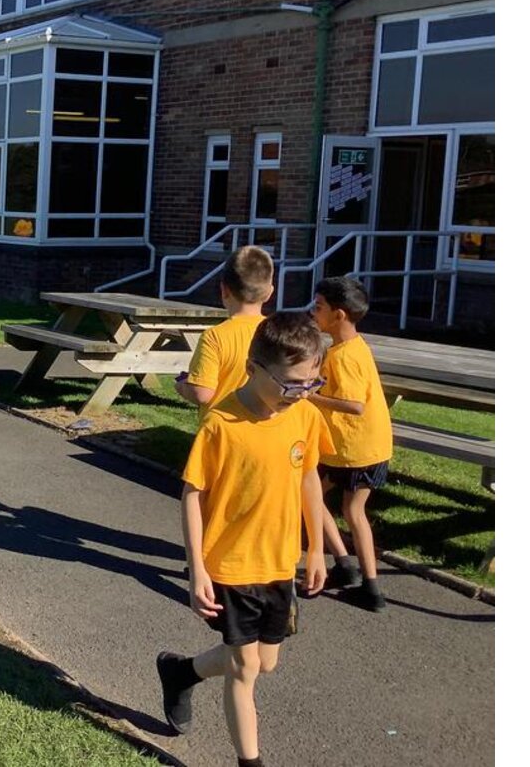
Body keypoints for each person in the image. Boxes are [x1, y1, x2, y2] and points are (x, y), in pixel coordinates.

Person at [155, 312, 334, 767]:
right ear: (254, 368)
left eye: (312, 383)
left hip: (280, 563)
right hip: (231, 565)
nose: (301, 394)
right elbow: (192, 495)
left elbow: (308, 478)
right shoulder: (221, 424)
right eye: (291, 384)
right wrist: (197, 568)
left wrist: (316, 547)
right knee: (244, 668)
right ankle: (249, 762)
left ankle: (181, 672)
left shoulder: (306, 416)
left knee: (265, 662)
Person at [307, 276, 393, 612]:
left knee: (344, 507)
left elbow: (355, 404)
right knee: (325, 501)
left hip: (354, 448)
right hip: (366, 445)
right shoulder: (353, 347)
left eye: (318, 307)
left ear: (338, 315)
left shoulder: (344, 357)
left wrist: (311, 397)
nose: (313, 312)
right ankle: (351, 571)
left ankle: (365, 582)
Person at [176, 246, 274, 419]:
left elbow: (202, 394)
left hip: (221, 427)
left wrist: (182, 386)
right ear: (269, 293)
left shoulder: (214, 337)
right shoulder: (277, 333)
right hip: (264, 426)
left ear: (224, 290)